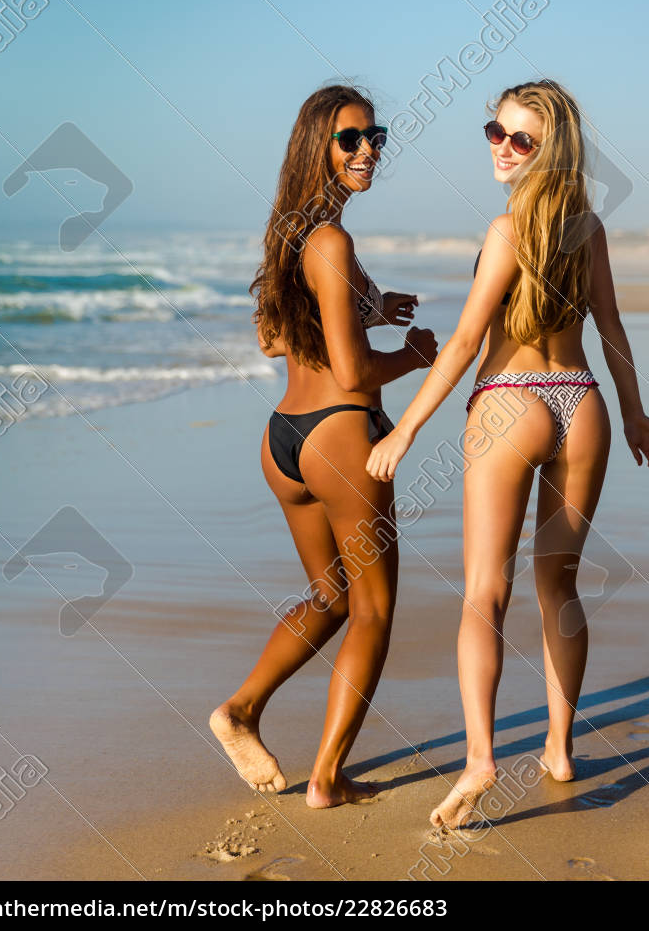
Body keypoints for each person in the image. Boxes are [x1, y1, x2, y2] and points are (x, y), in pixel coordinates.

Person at [367, 80, 649, 829]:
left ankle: (479, 759)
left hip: (509, 399)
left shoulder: (507, 231)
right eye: (494, 132)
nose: (502, 147)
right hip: (581, 404)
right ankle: (560, 747)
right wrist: (634, 415)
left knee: (483, 593)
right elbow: (612, 330)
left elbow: (468, 342)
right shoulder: (589, 228)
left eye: (520, 138)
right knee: (558, 588)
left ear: (550, 149)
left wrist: (404, 430)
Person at [211, 84, 437, 808]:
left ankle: (240, 708)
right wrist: (413, 353)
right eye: (351, 139)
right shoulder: (333, 239)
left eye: (376, 137)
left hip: (284, 442)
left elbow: (275, 335)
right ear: (319, 146)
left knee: (329, 594)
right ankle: (328, 778)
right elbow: (352, 370)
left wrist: (372, 304)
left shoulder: (291, 232)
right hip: (343, 439)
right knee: (371, 611)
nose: (368, 149)